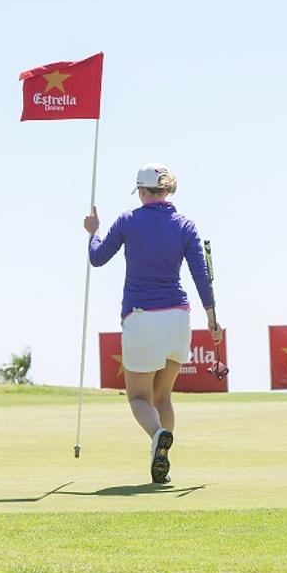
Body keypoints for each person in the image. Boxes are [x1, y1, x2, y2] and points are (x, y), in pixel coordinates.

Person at [85, 163, 222, 483]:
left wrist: (93, 233)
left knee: (138, 398)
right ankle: (163, 462)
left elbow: (98, 257)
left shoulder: (128, 220)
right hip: (178, 318)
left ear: (143, 191)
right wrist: (212, 319)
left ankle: (158, 434)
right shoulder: (185, 225)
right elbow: (200, 275)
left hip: (141, 317)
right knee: (163, 397)